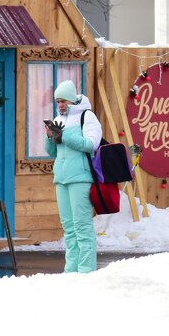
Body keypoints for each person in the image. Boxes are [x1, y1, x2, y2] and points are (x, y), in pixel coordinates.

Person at [44, 79, 101, 273]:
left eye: (63, 101)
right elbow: (52, 152)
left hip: (81, 177)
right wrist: (50, 136)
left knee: (82, 227)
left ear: (72, 100)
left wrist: (65, 135)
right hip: (61, 177)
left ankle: (86, 272)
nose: (60, 105)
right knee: (68, 229)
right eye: (57, 101)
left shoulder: (87, 116)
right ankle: (71, 272)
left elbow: (90, 144)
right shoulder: (58, 119)